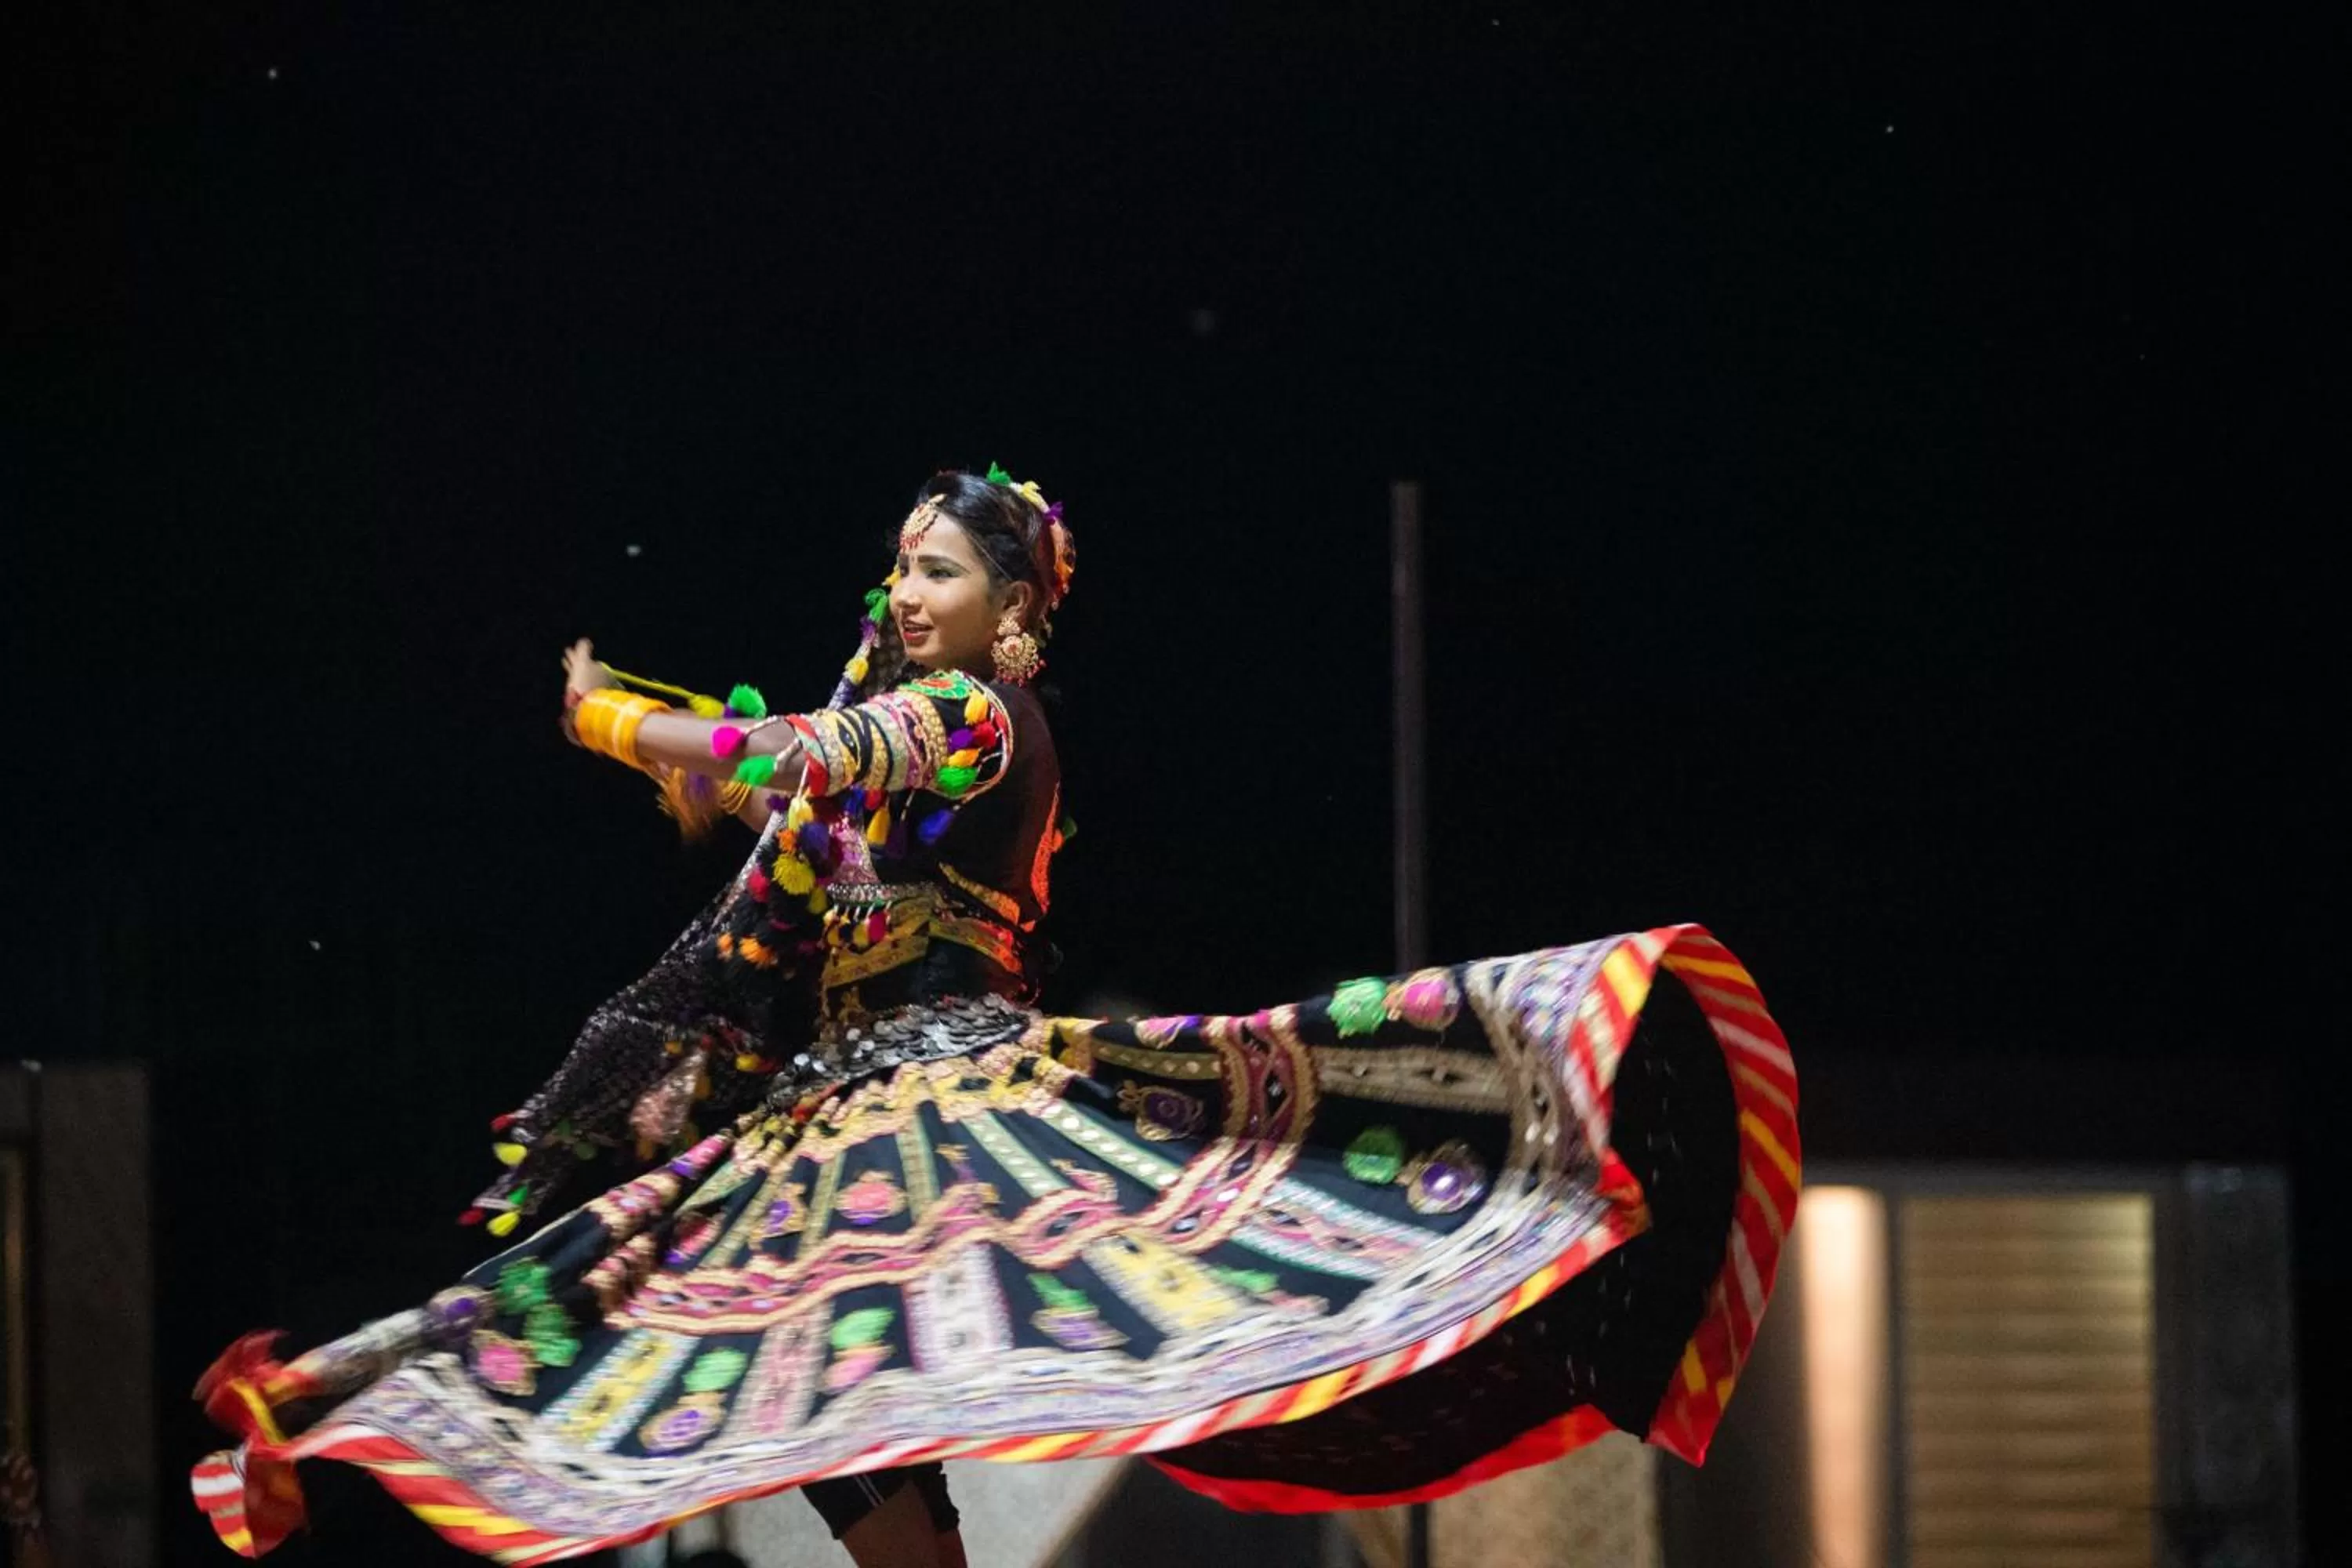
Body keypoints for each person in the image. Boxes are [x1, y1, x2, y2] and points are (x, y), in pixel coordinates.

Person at [192, 466, 1800, 1565]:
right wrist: (667, 751)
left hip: (959, 1099)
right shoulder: (908, 713)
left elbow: (804, 759)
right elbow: (789, 798)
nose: (903, 586)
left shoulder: (972, 716)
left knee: (964, 1354)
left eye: (938, 566)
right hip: (838, 1120)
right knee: (804, 1395)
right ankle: (337, 1403)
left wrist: (617, 722)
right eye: (897, 561)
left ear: (1012, 605)